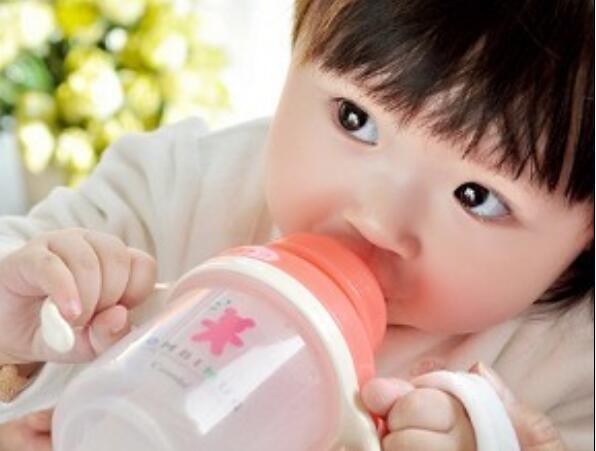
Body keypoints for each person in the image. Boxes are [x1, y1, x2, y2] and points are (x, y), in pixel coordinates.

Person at [0, 0, 593, 449]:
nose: (378, 220)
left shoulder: (570, 371)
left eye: (477, 196)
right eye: (355, 118)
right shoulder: (186, 187)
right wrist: (17, 336)